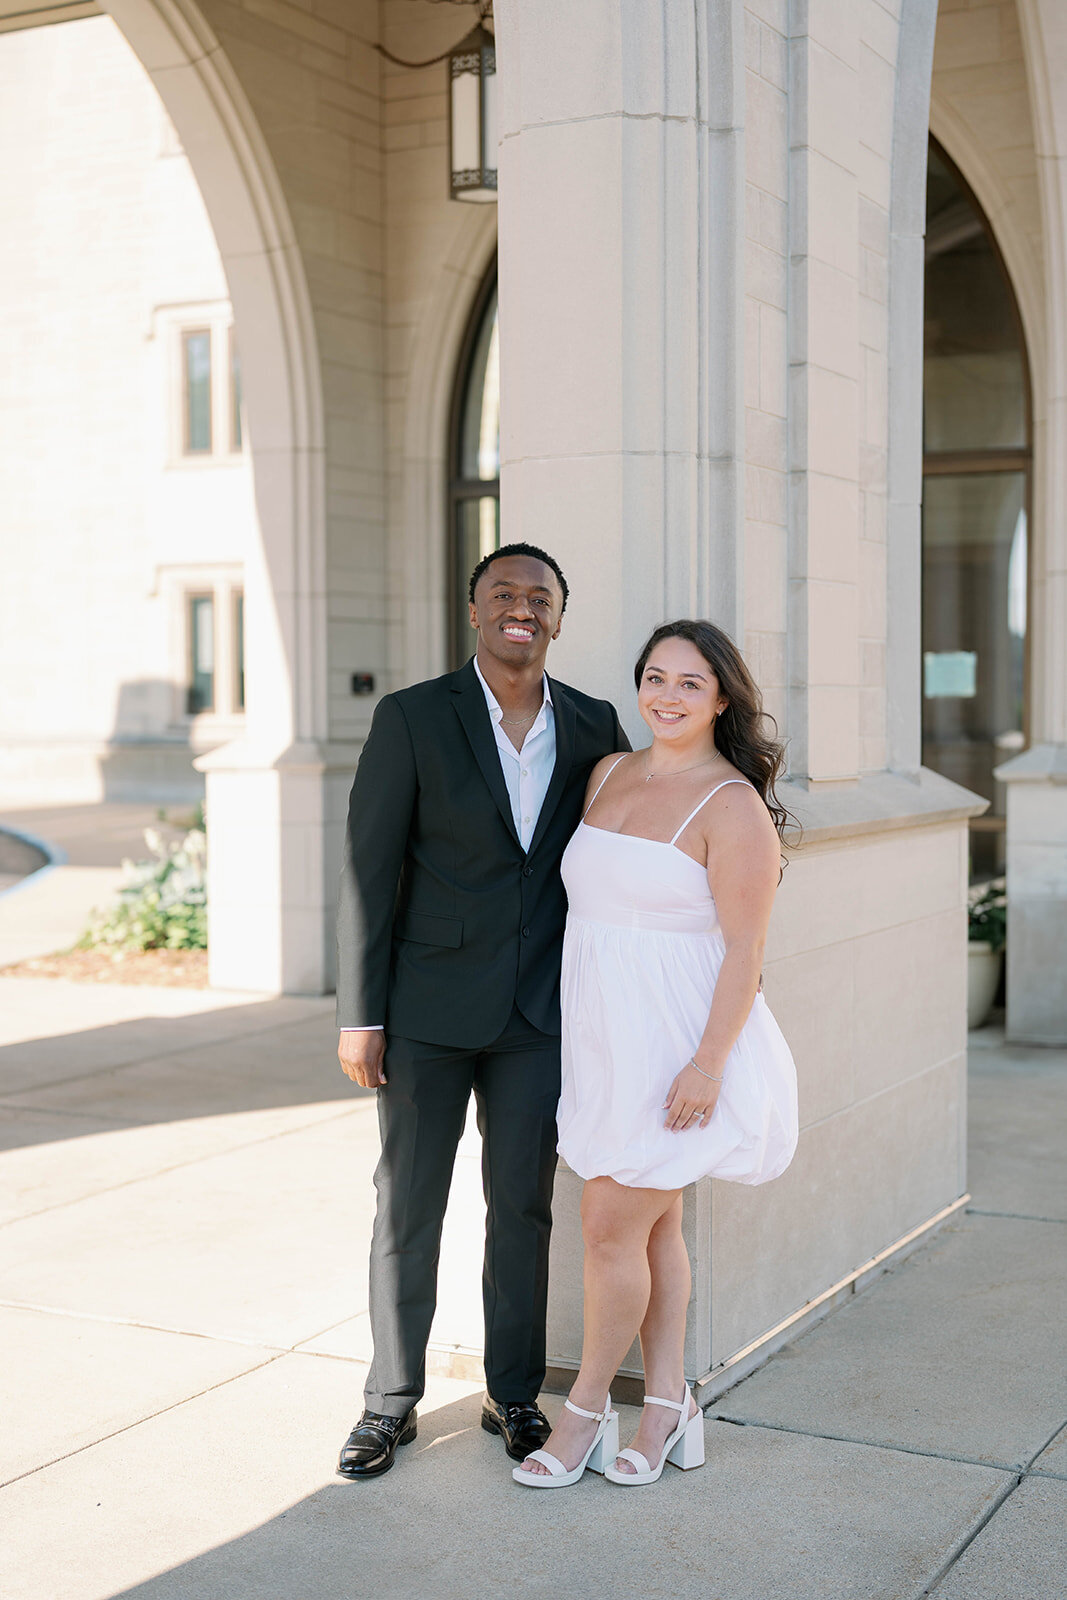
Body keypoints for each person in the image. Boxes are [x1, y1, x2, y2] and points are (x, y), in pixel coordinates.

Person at [334, 542, 629, 1479]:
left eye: (538, 597)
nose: (520, 608)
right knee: (408, 1206)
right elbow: (367, 872)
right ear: (474, 611)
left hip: (536, 1014)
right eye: (502, 593)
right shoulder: (413, 717)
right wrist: (359, 1013)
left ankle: (513, 1394)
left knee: (524, 1212)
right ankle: (389, 1403)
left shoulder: (593, 724)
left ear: (556, 618)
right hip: (421, 1011)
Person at [513, 619, 798, 1490]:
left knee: (607, 1227)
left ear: (721, 700)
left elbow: (745, 954)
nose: (666, 697)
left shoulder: (732, 806)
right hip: (602, 1036)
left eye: (689, 683)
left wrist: (707, 1065)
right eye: (654, 678)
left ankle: (586, 1411)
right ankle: (670, 1404)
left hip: (678, 1044)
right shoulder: (609, 771)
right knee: (654, 1224)